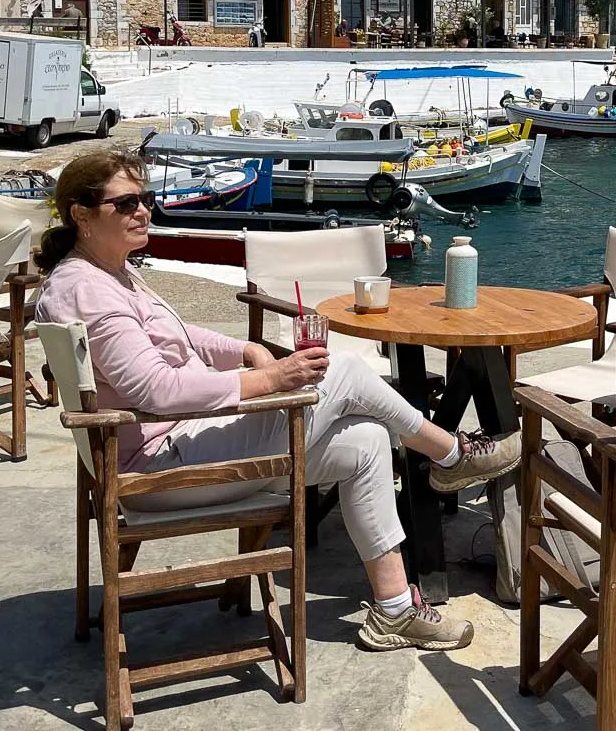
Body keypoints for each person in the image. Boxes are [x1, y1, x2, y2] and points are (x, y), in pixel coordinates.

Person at [34, 147, 518, 652]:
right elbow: (157, 389)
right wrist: (269, 379)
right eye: (126, 203)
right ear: (81, 214)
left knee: (367, 439)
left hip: (181, 445)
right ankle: (450, 454)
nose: (143, 211)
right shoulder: (87, 290)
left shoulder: (110, 273)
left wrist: (243, 349)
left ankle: (395, 610)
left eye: (146, 199)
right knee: (345, 372)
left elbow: (177, 335)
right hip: (158, 467)